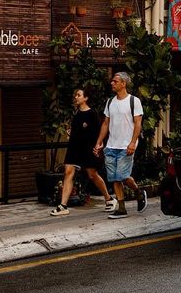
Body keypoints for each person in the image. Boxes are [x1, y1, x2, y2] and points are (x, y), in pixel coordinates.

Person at [50, 88, 116, 217]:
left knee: (92, 175)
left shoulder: (92, 114)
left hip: (87, 148)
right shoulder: (76, 113)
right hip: (74, 147)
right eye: (75, 95)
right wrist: (71, 133)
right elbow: (76, 129)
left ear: (85, 98)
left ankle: (109, 199)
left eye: (79, 95)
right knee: (68, 172)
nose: (76, 97)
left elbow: (97, 133)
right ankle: (63, 206)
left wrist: (98, 145)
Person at [94, 71, 147, 219]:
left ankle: (138, 192)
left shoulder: (134, 101)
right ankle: (122, 208)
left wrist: (132, 143)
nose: (112, 83)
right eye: (112, 81)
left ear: (124, 83)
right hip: (111, 146)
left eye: (115, 81)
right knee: (114, 178)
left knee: (123, 176)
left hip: (126, 146)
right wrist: (99, 142)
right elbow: (106, 123)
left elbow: (138, 124)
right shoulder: (110, 102)